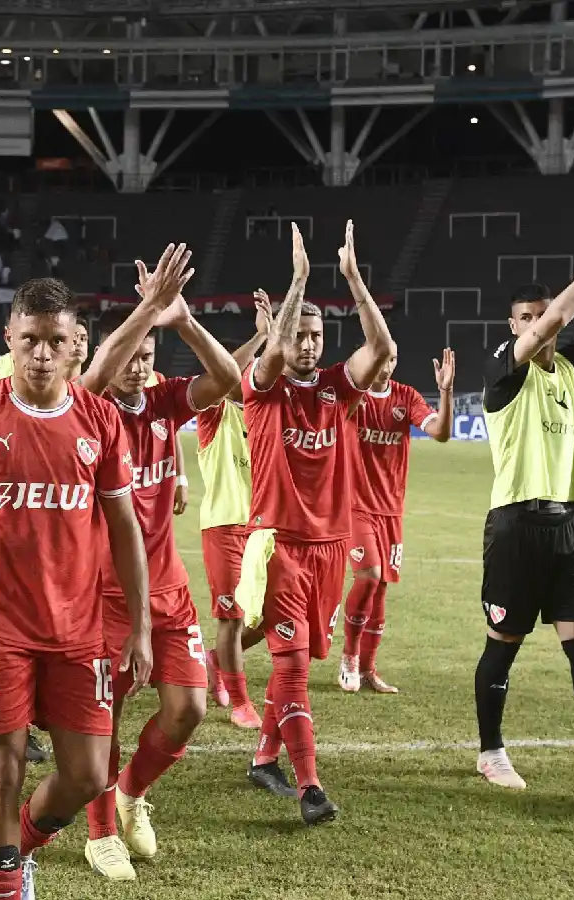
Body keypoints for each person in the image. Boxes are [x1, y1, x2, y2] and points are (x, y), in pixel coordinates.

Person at [0, 270, 168, 900]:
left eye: (55, 340)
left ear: (76, 343)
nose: (42, 353)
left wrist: (138, 628)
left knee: (85, 775)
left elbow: (126, 531)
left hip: (79, 630)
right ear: (10, 337)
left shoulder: (100, 420)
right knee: (1, 769)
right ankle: (2, 887)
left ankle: (15, 851)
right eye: (30, 339)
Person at [82, 280, 242, 882]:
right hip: (102, 594)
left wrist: (182, 322)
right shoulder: (89, 407)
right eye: (128, 356)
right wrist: (143, 315)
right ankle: (100, 834)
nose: (137, 369)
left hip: (167, 588)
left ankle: (130, 793)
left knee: (189, 708)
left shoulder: (167, 402)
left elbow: (227, 379)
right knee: (105, 718)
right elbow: (93, 375)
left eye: (147, 358)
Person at [240, 221, 394, 825]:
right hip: (280, 546)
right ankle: (310, 787)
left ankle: (264, 758)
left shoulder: (336, 389)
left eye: (315, 335)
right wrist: (300, 280)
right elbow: (272, 351)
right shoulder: (264, 391)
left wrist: (354, 279)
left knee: (303, 660)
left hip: (332, 548)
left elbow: (380, 350)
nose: (307, 345)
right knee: (293, 666)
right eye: (300, 334)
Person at [474, 276, 574, 790]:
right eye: (527, 318)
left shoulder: (566, 368)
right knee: (504, 642)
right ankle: (491, 751)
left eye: (540, 318)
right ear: (513, 325)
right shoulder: (505, 369)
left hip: (568, 527)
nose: (538, 326)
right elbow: (559, 317)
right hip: (516, 527)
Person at [339, 348, 454, 695]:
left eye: (391, 360)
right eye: (380, 359)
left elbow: (440, 432)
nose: (385, 367)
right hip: (355, 506)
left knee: (381, 587)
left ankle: (370, 668)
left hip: (391, 509)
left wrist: (446, 392)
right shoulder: (351, 397)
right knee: (369, 575)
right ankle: (349, 658)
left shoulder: (406, 397)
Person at [202, 295, 273, 728]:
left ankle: (215, 661)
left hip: (264, 527)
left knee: (271, 614)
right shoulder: (215, 411)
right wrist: (262, 335)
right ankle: (241, 701)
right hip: (225, 524)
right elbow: (222, 376)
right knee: (230, 617)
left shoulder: (266, 414)